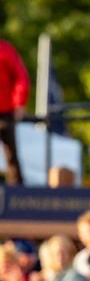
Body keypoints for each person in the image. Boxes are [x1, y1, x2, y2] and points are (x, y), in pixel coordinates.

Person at [0, 39, 29, 185]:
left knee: (11, 155)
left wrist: (19, 103)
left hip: (4, 111)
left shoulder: (5, 50)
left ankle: (17, 193)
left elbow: (20, 77)